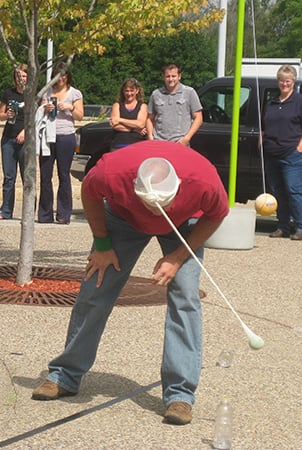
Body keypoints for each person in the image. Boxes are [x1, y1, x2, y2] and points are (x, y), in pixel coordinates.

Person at [31, 140, 229, 426]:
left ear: (177, 189)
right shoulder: (112, 171)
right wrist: (101, 243)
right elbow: (89, 191)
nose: (153, 212)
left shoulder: (203, 179)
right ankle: (65, 374)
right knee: (95, 288)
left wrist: (177, 257)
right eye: (149, 204)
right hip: (123, 219)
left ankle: (180, 395)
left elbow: (217, 214)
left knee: (185, 297)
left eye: (160, 205)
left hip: (183, 225)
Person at [37, 61, 84, 224]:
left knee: (63, 175)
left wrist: (69, 107)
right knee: (45, 175)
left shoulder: (75, 93)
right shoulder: (47, 92)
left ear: (67, 76)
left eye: (63, 75)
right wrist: (45, 108)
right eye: (58, 76)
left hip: (66, 136)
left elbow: (80, 116)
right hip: (48, 137)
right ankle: (45, 214)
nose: (61, 79)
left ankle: (64, 214)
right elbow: (39, 112)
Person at [262, 64, 302, 240]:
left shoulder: (299, 101)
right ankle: (283, 226)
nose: (284, 84)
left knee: (293, 191)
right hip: (272, 154)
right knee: (278, 193)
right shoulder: (272, 103)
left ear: (293, 82)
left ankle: (300, 227)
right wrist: (261, 138)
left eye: (287, 81)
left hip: (291, 154)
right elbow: (265, 124)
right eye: (281, 80)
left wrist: (300, 147)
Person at [146, 63, 203, 146]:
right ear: (163, 77)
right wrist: (151, 138)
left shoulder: (189, 92)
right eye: (168, 76)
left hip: (180, 143)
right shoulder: (156, 94)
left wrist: (187, 138)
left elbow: (198, 118)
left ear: (179, 76)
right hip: (159, 143)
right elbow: (149, 119)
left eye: (173, 76)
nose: (171, 79)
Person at [0, 64, 28, 220]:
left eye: (24, 76)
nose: (21, 79)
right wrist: (6, 115)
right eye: (18, 76)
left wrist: (25, 132)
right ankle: (6, 210)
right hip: (8, 139)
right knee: (9, 177)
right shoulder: (8, 93)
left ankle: (28, 211)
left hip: (25, 141)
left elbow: (35, 118)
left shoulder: (31, 95)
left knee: (27, 177)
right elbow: (0, 114)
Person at [110, 78, 147, 150]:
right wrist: (134, 129)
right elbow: (115, 125)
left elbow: (140, 124)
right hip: (118, 145)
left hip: (137, 146)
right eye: (126, 91)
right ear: (123, 91)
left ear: (137, 91)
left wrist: (120, 120)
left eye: (131, 91)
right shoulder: (117, 105)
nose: (129, 94)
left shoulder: (143, 106)